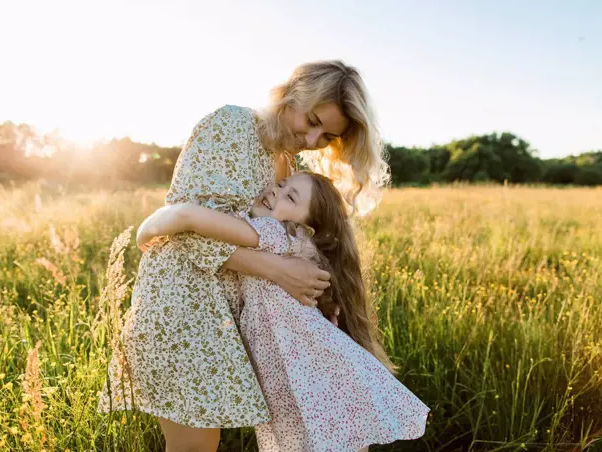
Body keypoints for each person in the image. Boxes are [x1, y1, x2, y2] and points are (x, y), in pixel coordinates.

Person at [99, 60, 391, 452]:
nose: (312, 139)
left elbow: (280, 237)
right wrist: (279, 270)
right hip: (182, 302)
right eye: (313, 120)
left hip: (224, 315)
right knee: (194, 446)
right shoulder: (233, 125)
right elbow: (185, 227)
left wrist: (319, 294)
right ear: (293, 94)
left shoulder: (287, 162)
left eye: (327, 136)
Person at [136, 171, 430, 452]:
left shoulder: (276, 233)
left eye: (291, 198)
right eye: (283, 183)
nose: (276, 191)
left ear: (305, 226)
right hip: (295, 369)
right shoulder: (291, 241)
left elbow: (190, 217)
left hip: (301, 367)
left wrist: (148, 228)